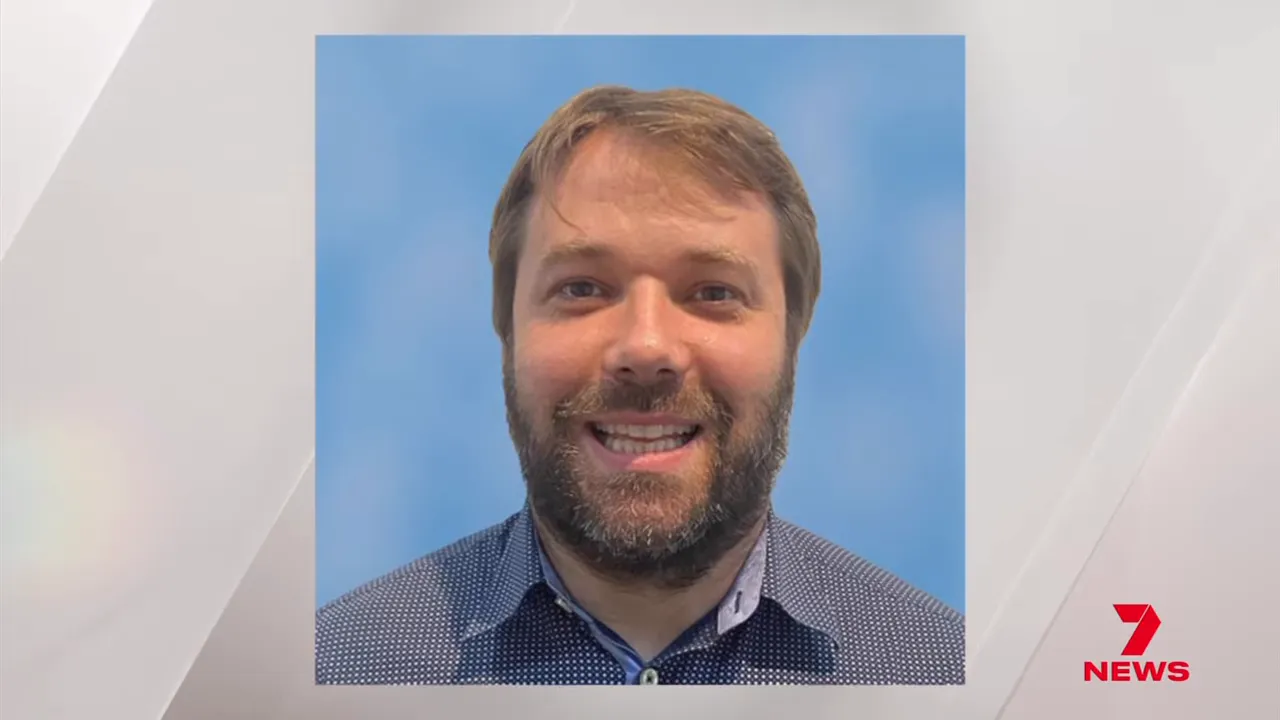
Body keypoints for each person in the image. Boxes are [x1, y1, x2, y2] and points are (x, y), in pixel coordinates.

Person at [316, 85, 964, 685]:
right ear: (504, 324)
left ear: (796, 332)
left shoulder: (944, 671)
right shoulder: (340, 667)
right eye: (582, 288)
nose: (646, 347)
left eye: (713, 291)